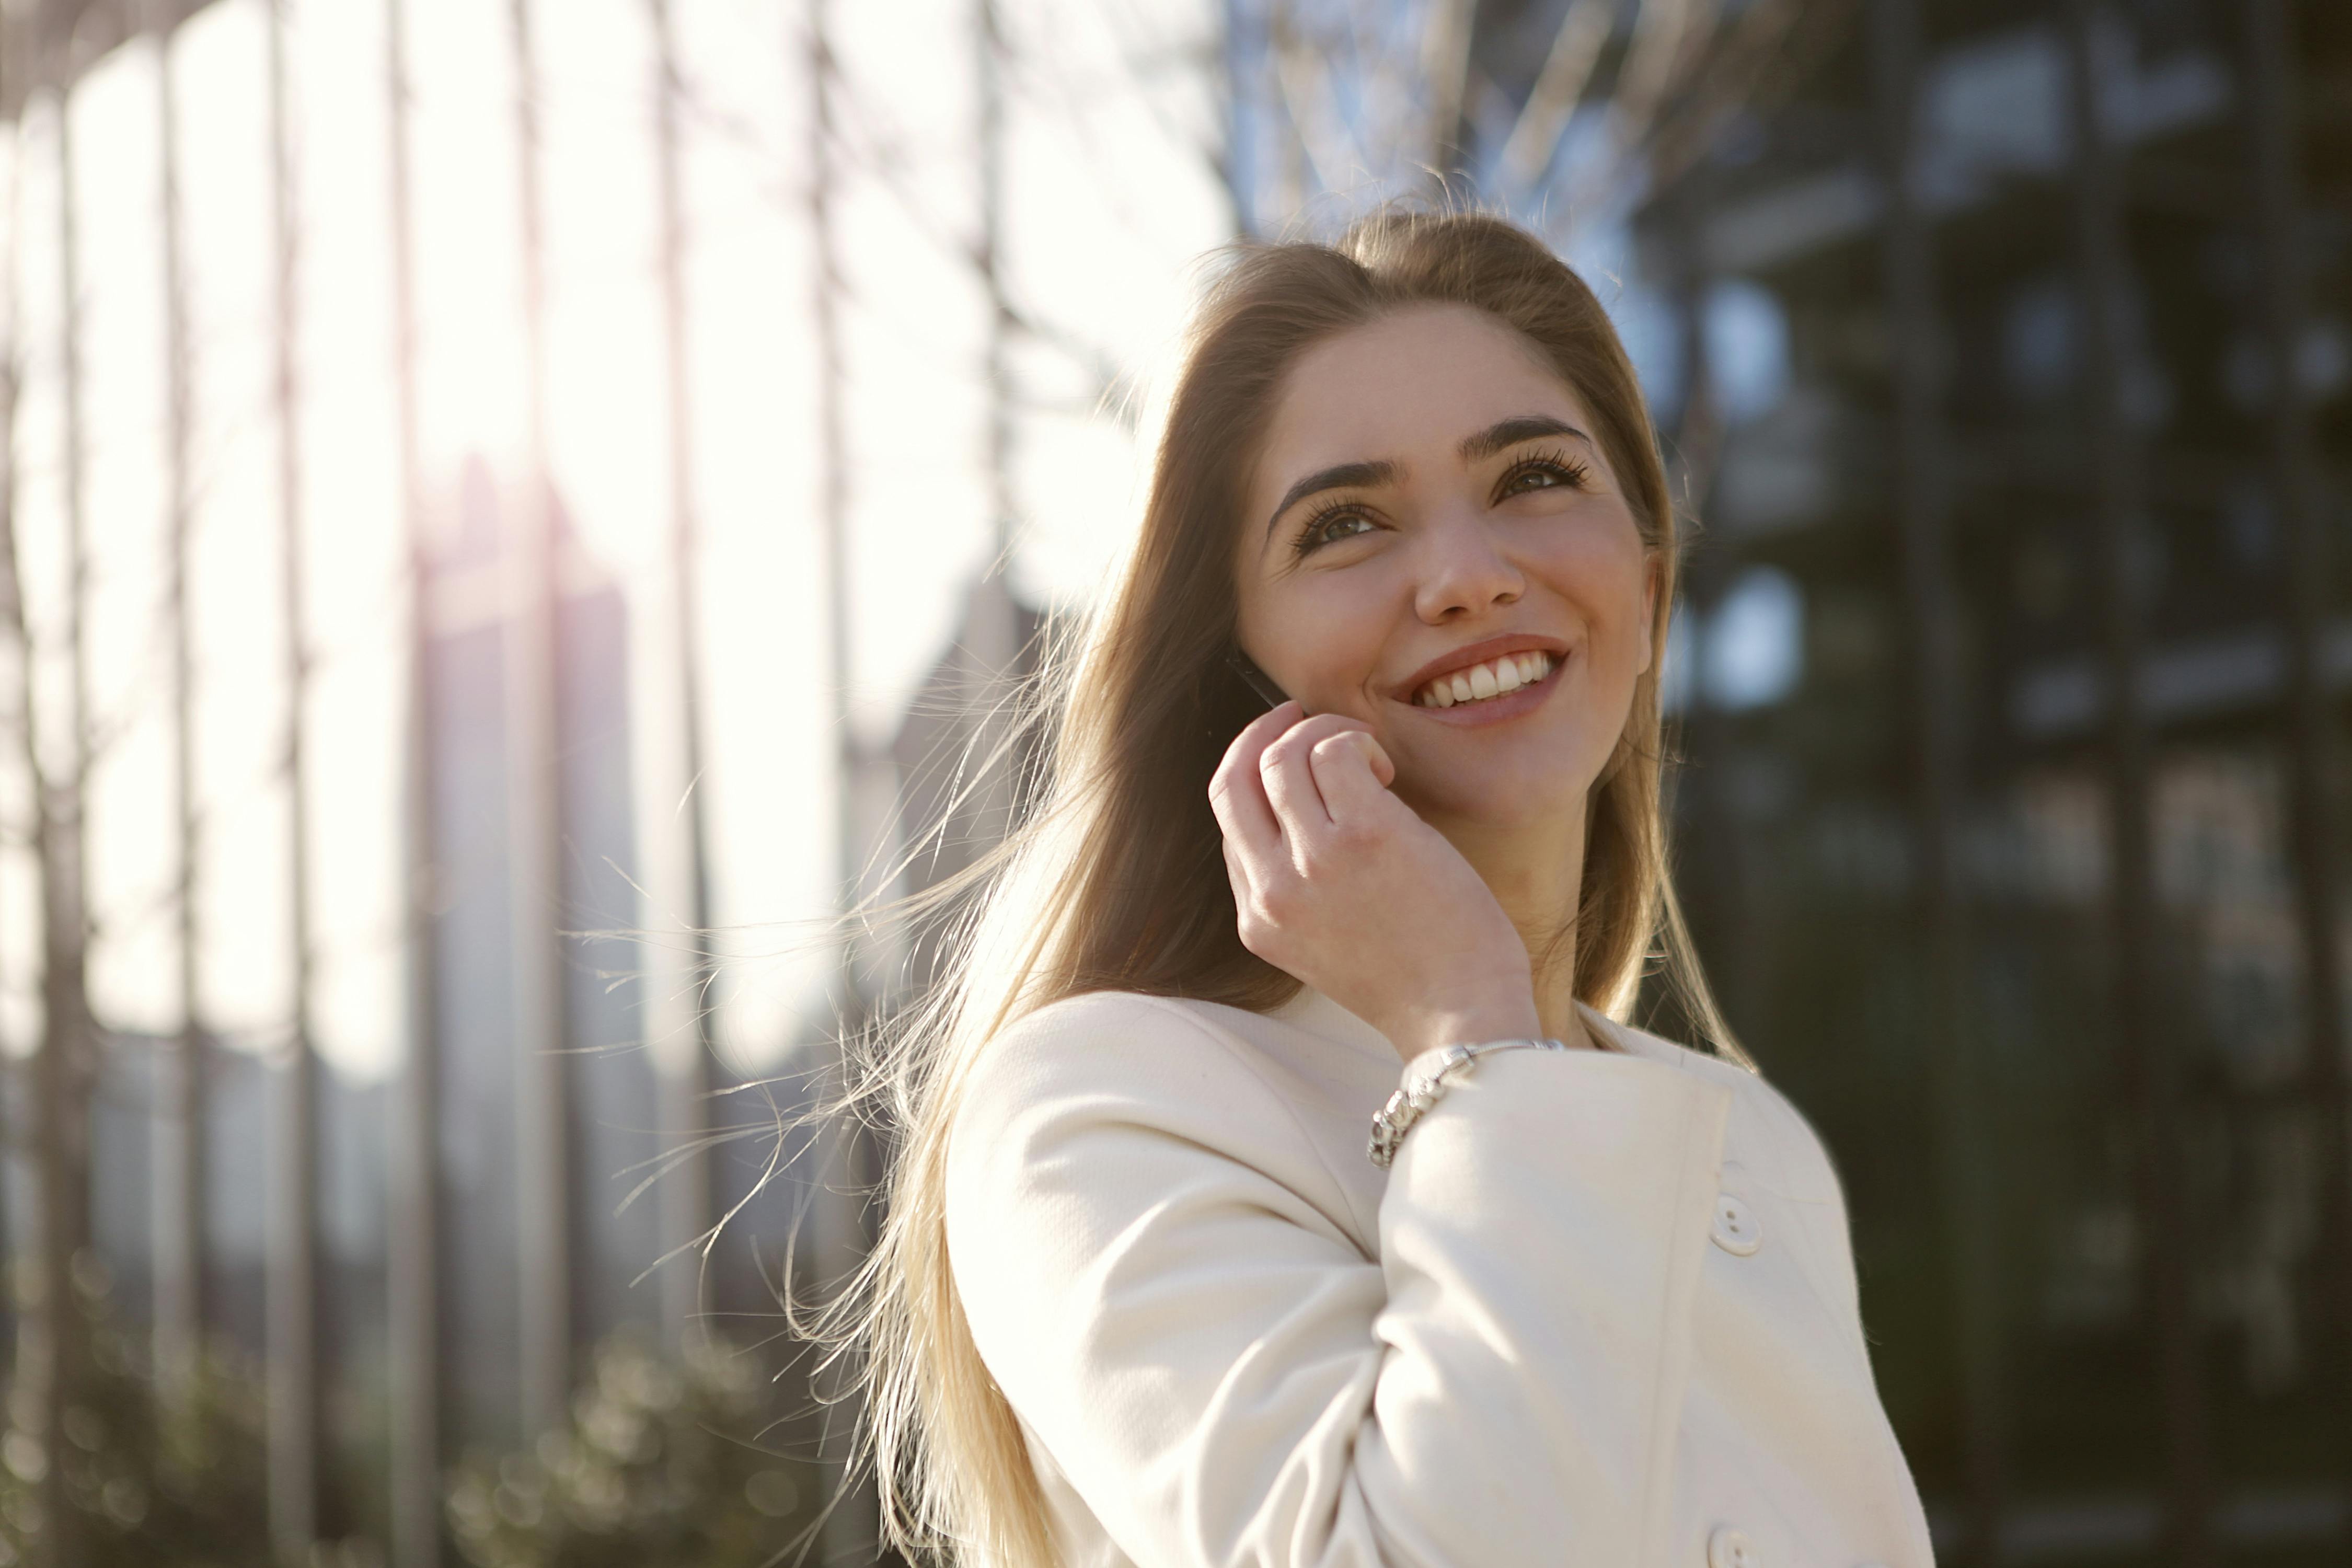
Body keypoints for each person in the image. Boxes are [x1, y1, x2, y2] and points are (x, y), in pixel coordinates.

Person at [831, 205, 1933, 1568]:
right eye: (1344, 523)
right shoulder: (1101, 1105)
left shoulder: (1749, 1145)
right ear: (1239, 658)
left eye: (1532, 478)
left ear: (1645, 592)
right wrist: (1467, 1031)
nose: (1469, 578)